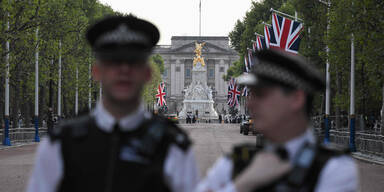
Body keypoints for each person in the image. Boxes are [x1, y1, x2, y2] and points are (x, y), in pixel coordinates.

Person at [27, 15, 199, 192]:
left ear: (147, 73)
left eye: (133, 62)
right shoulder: (60, 144)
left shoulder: (173, 146)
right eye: (113, 62)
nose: (124, 70)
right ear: (96, 72)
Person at [195, 49, 358, 192]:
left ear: (296, 98)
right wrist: (244, 184)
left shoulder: (333, 168)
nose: (251, 103)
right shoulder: (236, 161)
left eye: (261, 94)